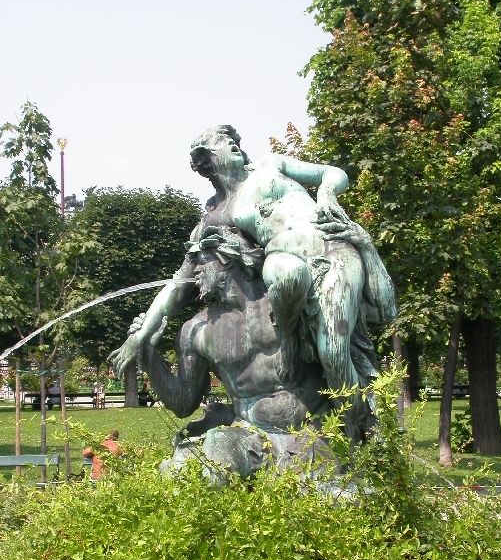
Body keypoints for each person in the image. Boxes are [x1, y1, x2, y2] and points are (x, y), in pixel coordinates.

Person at [111, 125, 396, 442]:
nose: (232, 143)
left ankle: (362, 435)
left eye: (233, 139)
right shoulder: (198, 329)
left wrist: (330, 198)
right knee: (285, 271)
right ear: (205, 160)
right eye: (221, 141)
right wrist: (145, 345)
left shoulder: (267, 169)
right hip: (250, 436)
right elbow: (177, 286)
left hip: (324, 259)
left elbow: (332, 174)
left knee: (333, 350)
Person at [130, 228, 339, 482]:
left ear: (226, 259)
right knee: (203, 469)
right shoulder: (196, 330)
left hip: (315, 431)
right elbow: (184, 403)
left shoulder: (283, 299)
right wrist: (148, 354)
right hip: (249, 436)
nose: (194, 271)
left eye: (201, 261)